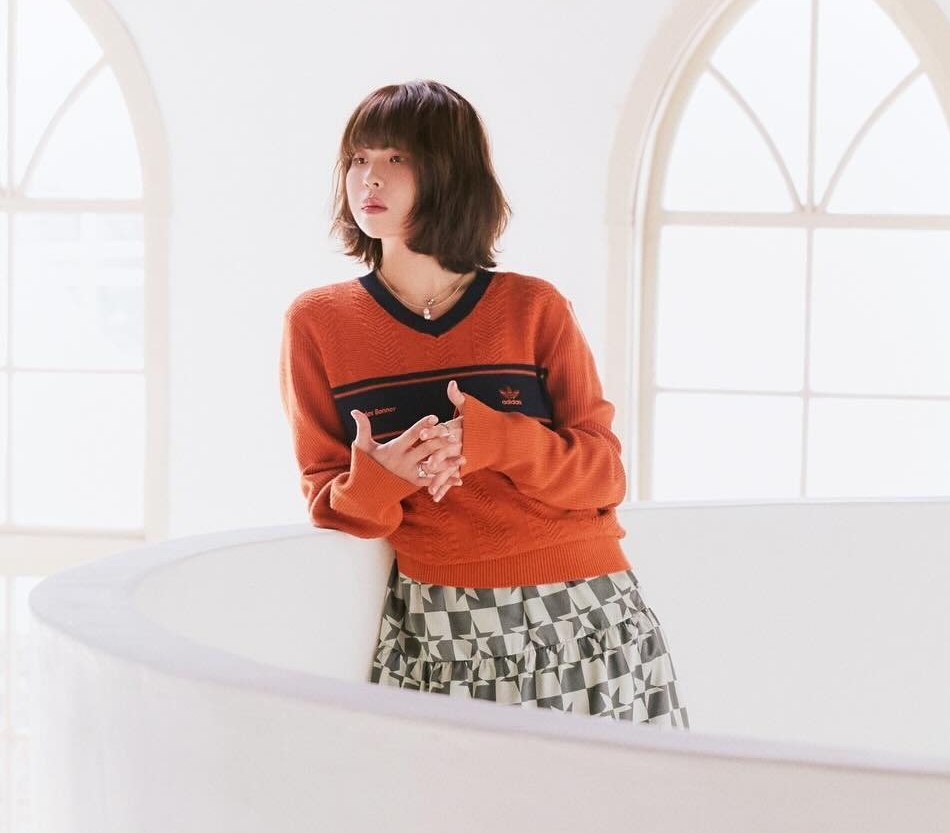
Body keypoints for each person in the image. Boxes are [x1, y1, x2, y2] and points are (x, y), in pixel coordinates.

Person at [278, 79, 689, 727]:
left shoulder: (533, 307)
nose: (369, 178)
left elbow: (605, 476)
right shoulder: (319, 322)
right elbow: (331, 504)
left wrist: (495, 441)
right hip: (446, 622)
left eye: (397, 158)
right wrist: (385, 476)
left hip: (585, 612)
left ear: (450, 173)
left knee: (612, 794)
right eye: (358, 158)